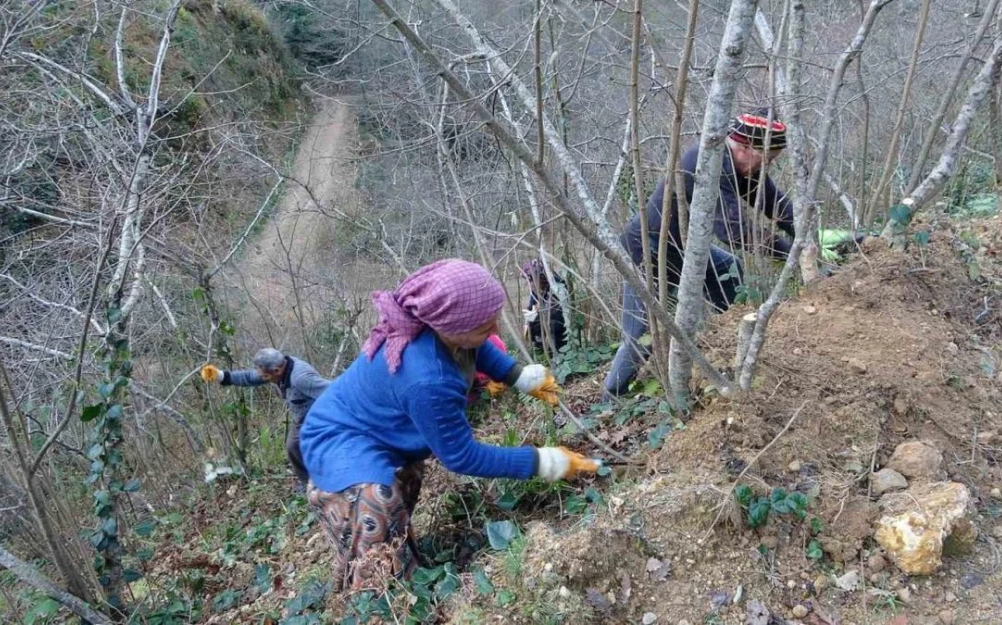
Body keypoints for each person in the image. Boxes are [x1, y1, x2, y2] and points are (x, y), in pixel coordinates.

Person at [299, 259, 600, 591]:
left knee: (404, 482)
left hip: (375, 429)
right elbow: (461, 456)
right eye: (486, 326)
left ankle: (397, 561)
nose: (496, 330)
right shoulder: (428, 378)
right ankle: (380, 596)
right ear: (452, 325)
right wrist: (542, 461)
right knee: (378, 501)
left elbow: (479, 347)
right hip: (336, 439)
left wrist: (518, 377)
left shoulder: (440, 326)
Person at [602, 109, 796, 399]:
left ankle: (731, 344)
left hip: (686, 251)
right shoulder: (710, 163)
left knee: (729, 270)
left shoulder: (744, 166)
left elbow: (775, 203)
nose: (766, 166)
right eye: (766, 158)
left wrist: (805, 234)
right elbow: (735, 230)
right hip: (647, 251)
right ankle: (610, 398)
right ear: (744, 146)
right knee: (640, 338)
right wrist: (788, 253)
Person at [200, 348, 330, 487]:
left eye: (264, 376)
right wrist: (219, 375)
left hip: (319, 417)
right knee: (293, 448)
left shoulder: (301, 378)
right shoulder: (278, 368)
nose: (261, 378)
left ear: (277, 370)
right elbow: (250, 377)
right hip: (301, 417)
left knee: (314, 447)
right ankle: (309, 483)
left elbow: (333, 392)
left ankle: (326, 481)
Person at [521, 259, 568, 354]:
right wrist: (528, 320)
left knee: (553, 323)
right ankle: (541, 347)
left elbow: (556, 312)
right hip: (544, 323)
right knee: (531, 320)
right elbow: (531, 306)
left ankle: (556, 352)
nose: (530, 282)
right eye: (529, 279)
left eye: (531, 279)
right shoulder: (536, 289)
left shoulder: (556, 285)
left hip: (560, 324)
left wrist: (538, 313)